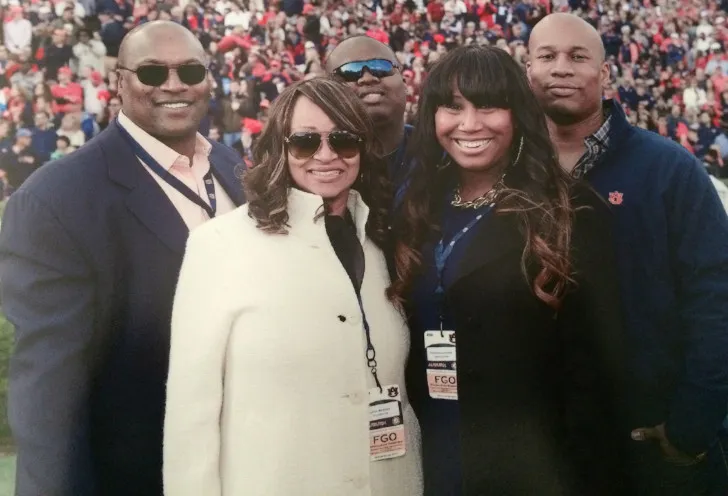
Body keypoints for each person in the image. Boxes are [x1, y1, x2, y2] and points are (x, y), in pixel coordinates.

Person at [0, 21, 245, 496]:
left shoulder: (234, 168)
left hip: (248, 460)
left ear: (209, 79)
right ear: (119, 82)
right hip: (141, 473)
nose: (174, 85)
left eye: (190, 70)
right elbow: (49, 395)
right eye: (152, 73)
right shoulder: (56, 199)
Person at [163, 77, 423, 495]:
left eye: (344, 140)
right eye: (305, 141)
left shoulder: (381, 240)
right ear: (279, 148)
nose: (326, 155)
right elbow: (190, 414)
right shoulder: (221, 245)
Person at [389, 45, 627, 495]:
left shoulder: (568, 209)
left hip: (532, 463)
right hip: (433, 446)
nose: (470, 124)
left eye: (489, 105)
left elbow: (596, 372)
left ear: (517, 114)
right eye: (452, 107)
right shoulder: (416, 204)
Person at [527, 13, 728, 495]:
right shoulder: (511, 174)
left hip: (650, 442)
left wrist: (690, 426)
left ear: (606, 73)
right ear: (526, 71)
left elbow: (716, 299)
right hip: (544, 444)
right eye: (547, 56)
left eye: (578, 57)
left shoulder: (670, 170)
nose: (562, 68)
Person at [325, 35, 411, 206]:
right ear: (328, 93)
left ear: (405, 83)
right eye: (349, 72)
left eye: (381, 67)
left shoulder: (444, 156)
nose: (367, 78)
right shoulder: (313, 162)